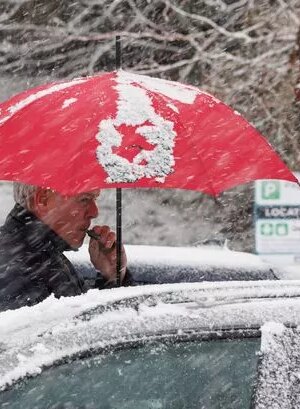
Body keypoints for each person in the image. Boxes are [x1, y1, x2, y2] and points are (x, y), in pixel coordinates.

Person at [0, 182, 132, 311]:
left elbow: (80, 322)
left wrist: (112, 276)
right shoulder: (23, 271)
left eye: (94, 199)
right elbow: (83, 330)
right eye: (84, 199)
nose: (94, 212)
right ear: (43, 200)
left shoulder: (40, 254)